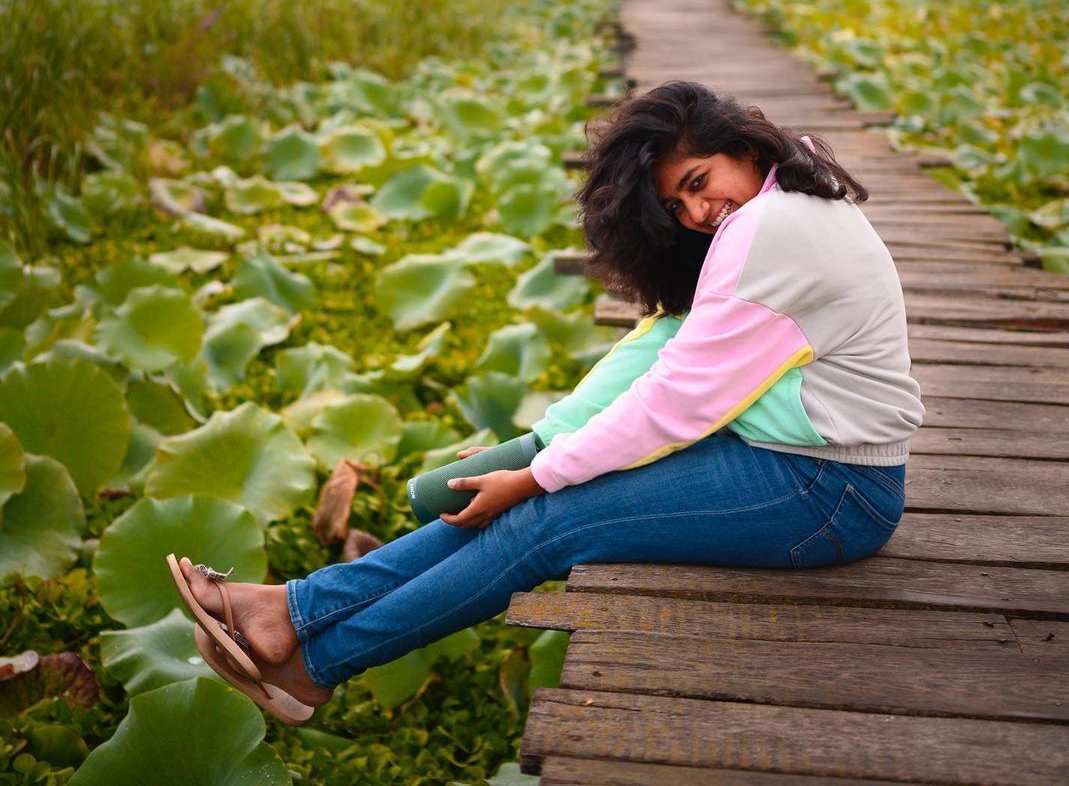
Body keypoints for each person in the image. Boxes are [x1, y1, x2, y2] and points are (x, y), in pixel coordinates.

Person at [170, 80, 924, 720]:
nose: (696, 212)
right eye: (676, 204)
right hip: (784, 459)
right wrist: (544, 448)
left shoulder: (771, 228)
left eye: (698, 182)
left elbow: (673, 404)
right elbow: (664, 352)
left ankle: (312, 665)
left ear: (745, 149)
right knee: (534, 503)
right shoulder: (785, 196)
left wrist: (535, 475)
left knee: (548, 519)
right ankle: (292, 612)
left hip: (832, 491)